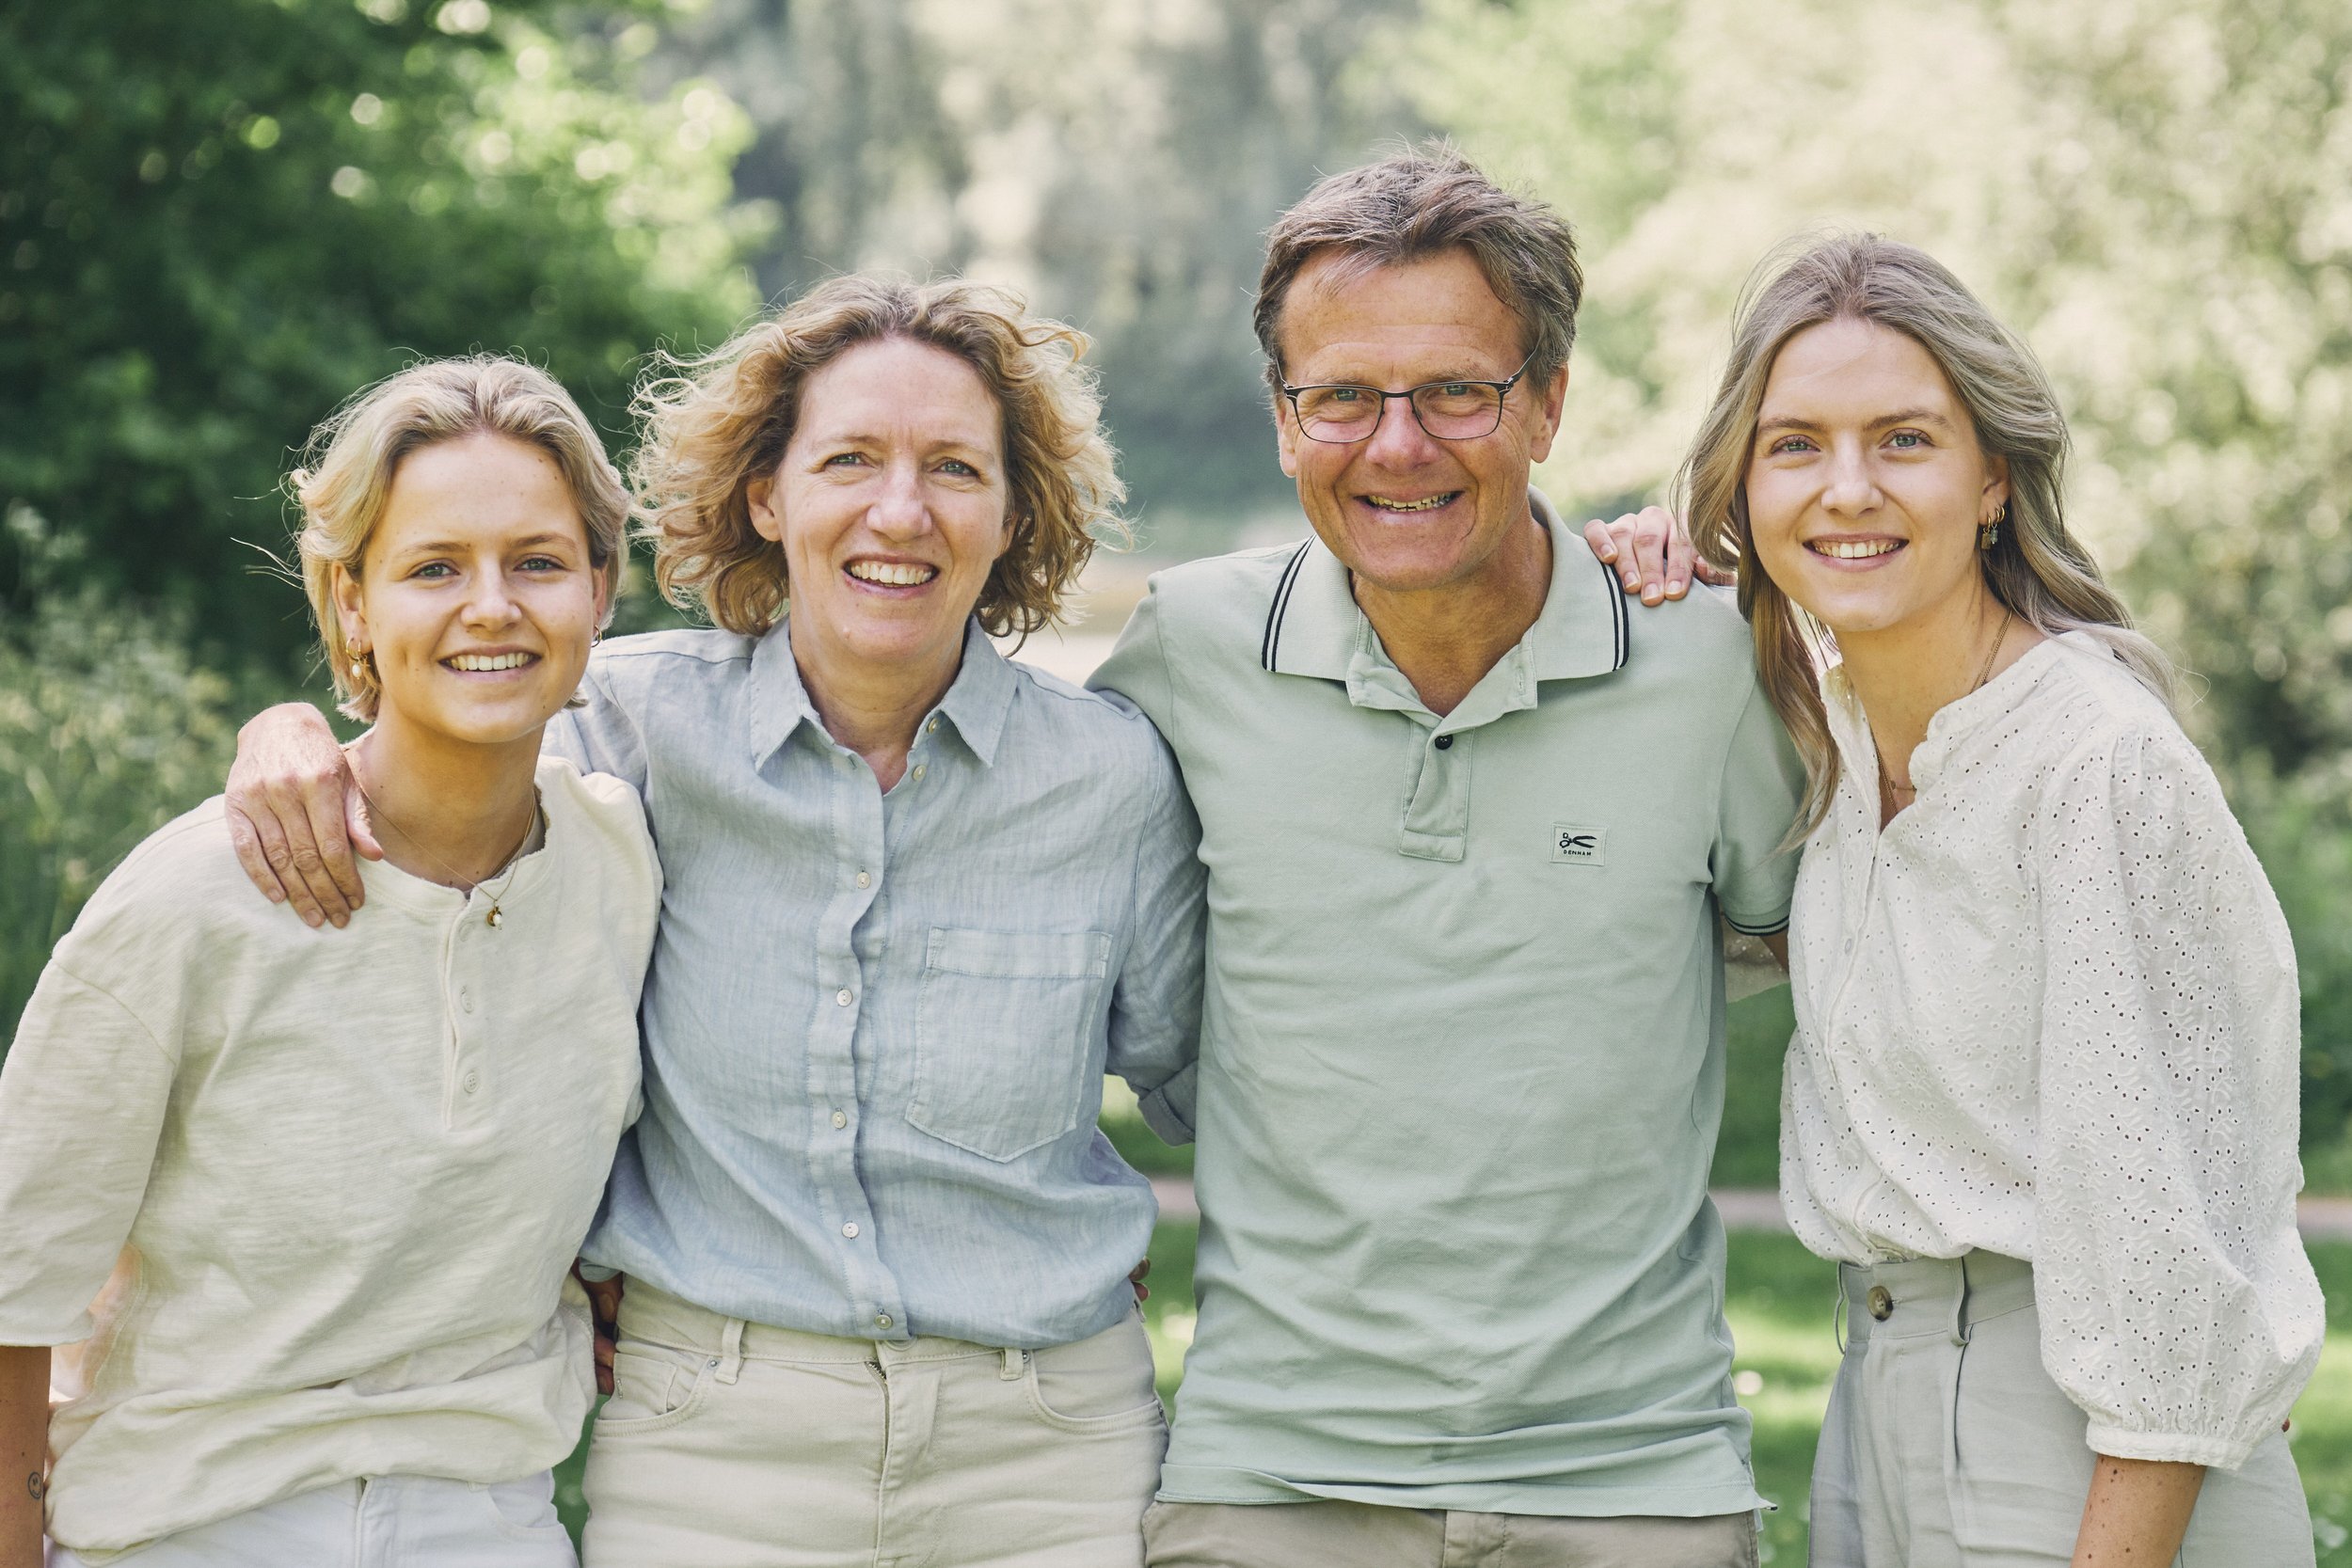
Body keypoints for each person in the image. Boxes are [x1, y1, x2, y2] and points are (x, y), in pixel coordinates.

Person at [223, 276, 1205, 1568]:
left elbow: (1224, 1106)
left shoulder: (1113, 778)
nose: (898, 510)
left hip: (1051, 1447)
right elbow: (417, 767)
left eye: (955, 467)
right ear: (765, 493)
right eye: (848, 458)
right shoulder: (616, 734)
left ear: (1015, 508)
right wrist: (287, 732)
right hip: (713, 1441)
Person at [1088, 143, 1805, 1568]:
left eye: (1457, 392)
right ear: (1284, 418)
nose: (1397, 446)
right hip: (1270, 1479)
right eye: (1342, 395)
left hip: (1635, 1476)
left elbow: (1809, 940)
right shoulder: (1187, 649)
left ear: (1545, 403)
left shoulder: (1708, 658)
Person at [1662, 232, 2323, 1566]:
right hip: (1880, 1396)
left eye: (1902, 438)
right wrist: (1650, 580)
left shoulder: (2095, 767)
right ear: (1742, 486)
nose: (1847, 487)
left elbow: (2167, 1265)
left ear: (1991, 481)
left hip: (2086, 1442)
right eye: (1794, 445)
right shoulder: (1836, 737)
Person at [0, 356, 662, 1566]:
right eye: (431, 568)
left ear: (602, 587)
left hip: (492, 1518)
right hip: (189, 1522)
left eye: (538, 560)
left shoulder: (625, 861)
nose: (492, 605)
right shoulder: (192, 895)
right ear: (351, 603)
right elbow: (11, 1280)